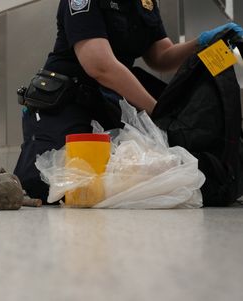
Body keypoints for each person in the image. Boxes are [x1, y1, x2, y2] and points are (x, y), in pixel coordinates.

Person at [13, 0, 243, 203]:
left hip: (108, 101)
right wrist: (158, 113)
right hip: (66, 100)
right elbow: (99, 65)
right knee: (48, 183)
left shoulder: (145, 3)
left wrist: (201, 42)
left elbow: (161, 57)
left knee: (120, 177)